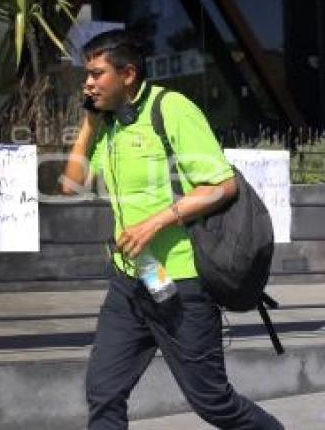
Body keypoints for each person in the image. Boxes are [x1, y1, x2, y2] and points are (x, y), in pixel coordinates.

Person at [61, 29, 283, 430]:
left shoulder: (172, 109)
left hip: (180, 284)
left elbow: (221, 183)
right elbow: (71, 184)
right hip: (131, 281)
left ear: (127, 75)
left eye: (96, 73)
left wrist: (156, 221)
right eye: (86, 74)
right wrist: (89, 124)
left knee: (213, 403)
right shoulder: (108, 123)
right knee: (104, 392)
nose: (88, 82)